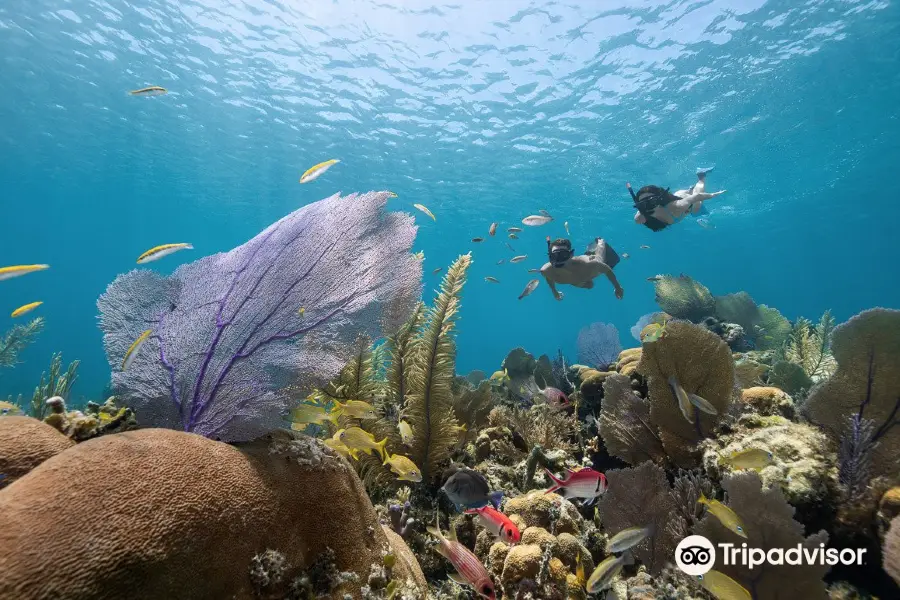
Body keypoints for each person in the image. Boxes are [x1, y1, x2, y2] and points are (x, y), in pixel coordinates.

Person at [630, 167, 726, 231]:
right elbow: (638, 217)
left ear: (659, 199)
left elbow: (697, 196)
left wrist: (714, 194)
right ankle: (690, 189)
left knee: (698, 196)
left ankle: (701, 175)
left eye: (651, 201)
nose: (647, 206)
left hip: (687, 203)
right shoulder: (641, 215)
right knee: (687, 194)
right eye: (643, 203)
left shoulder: (677, 206)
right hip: (677, 196)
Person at [539, 237, 624, 301]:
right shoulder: (546, 271)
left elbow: (607, 269)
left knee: (600, 258)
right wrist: (554, 291)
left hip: (588, 269)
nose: (558, 260)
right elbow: (549, 278)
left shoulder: (589, 264)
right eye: (555, 256)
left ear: (571, 254)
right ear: (550, 257)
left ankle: (600, 241)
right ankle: (589, 251)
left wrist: (618, 287)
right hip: (577, 280)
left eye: (563, 255)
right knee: (590, 285)